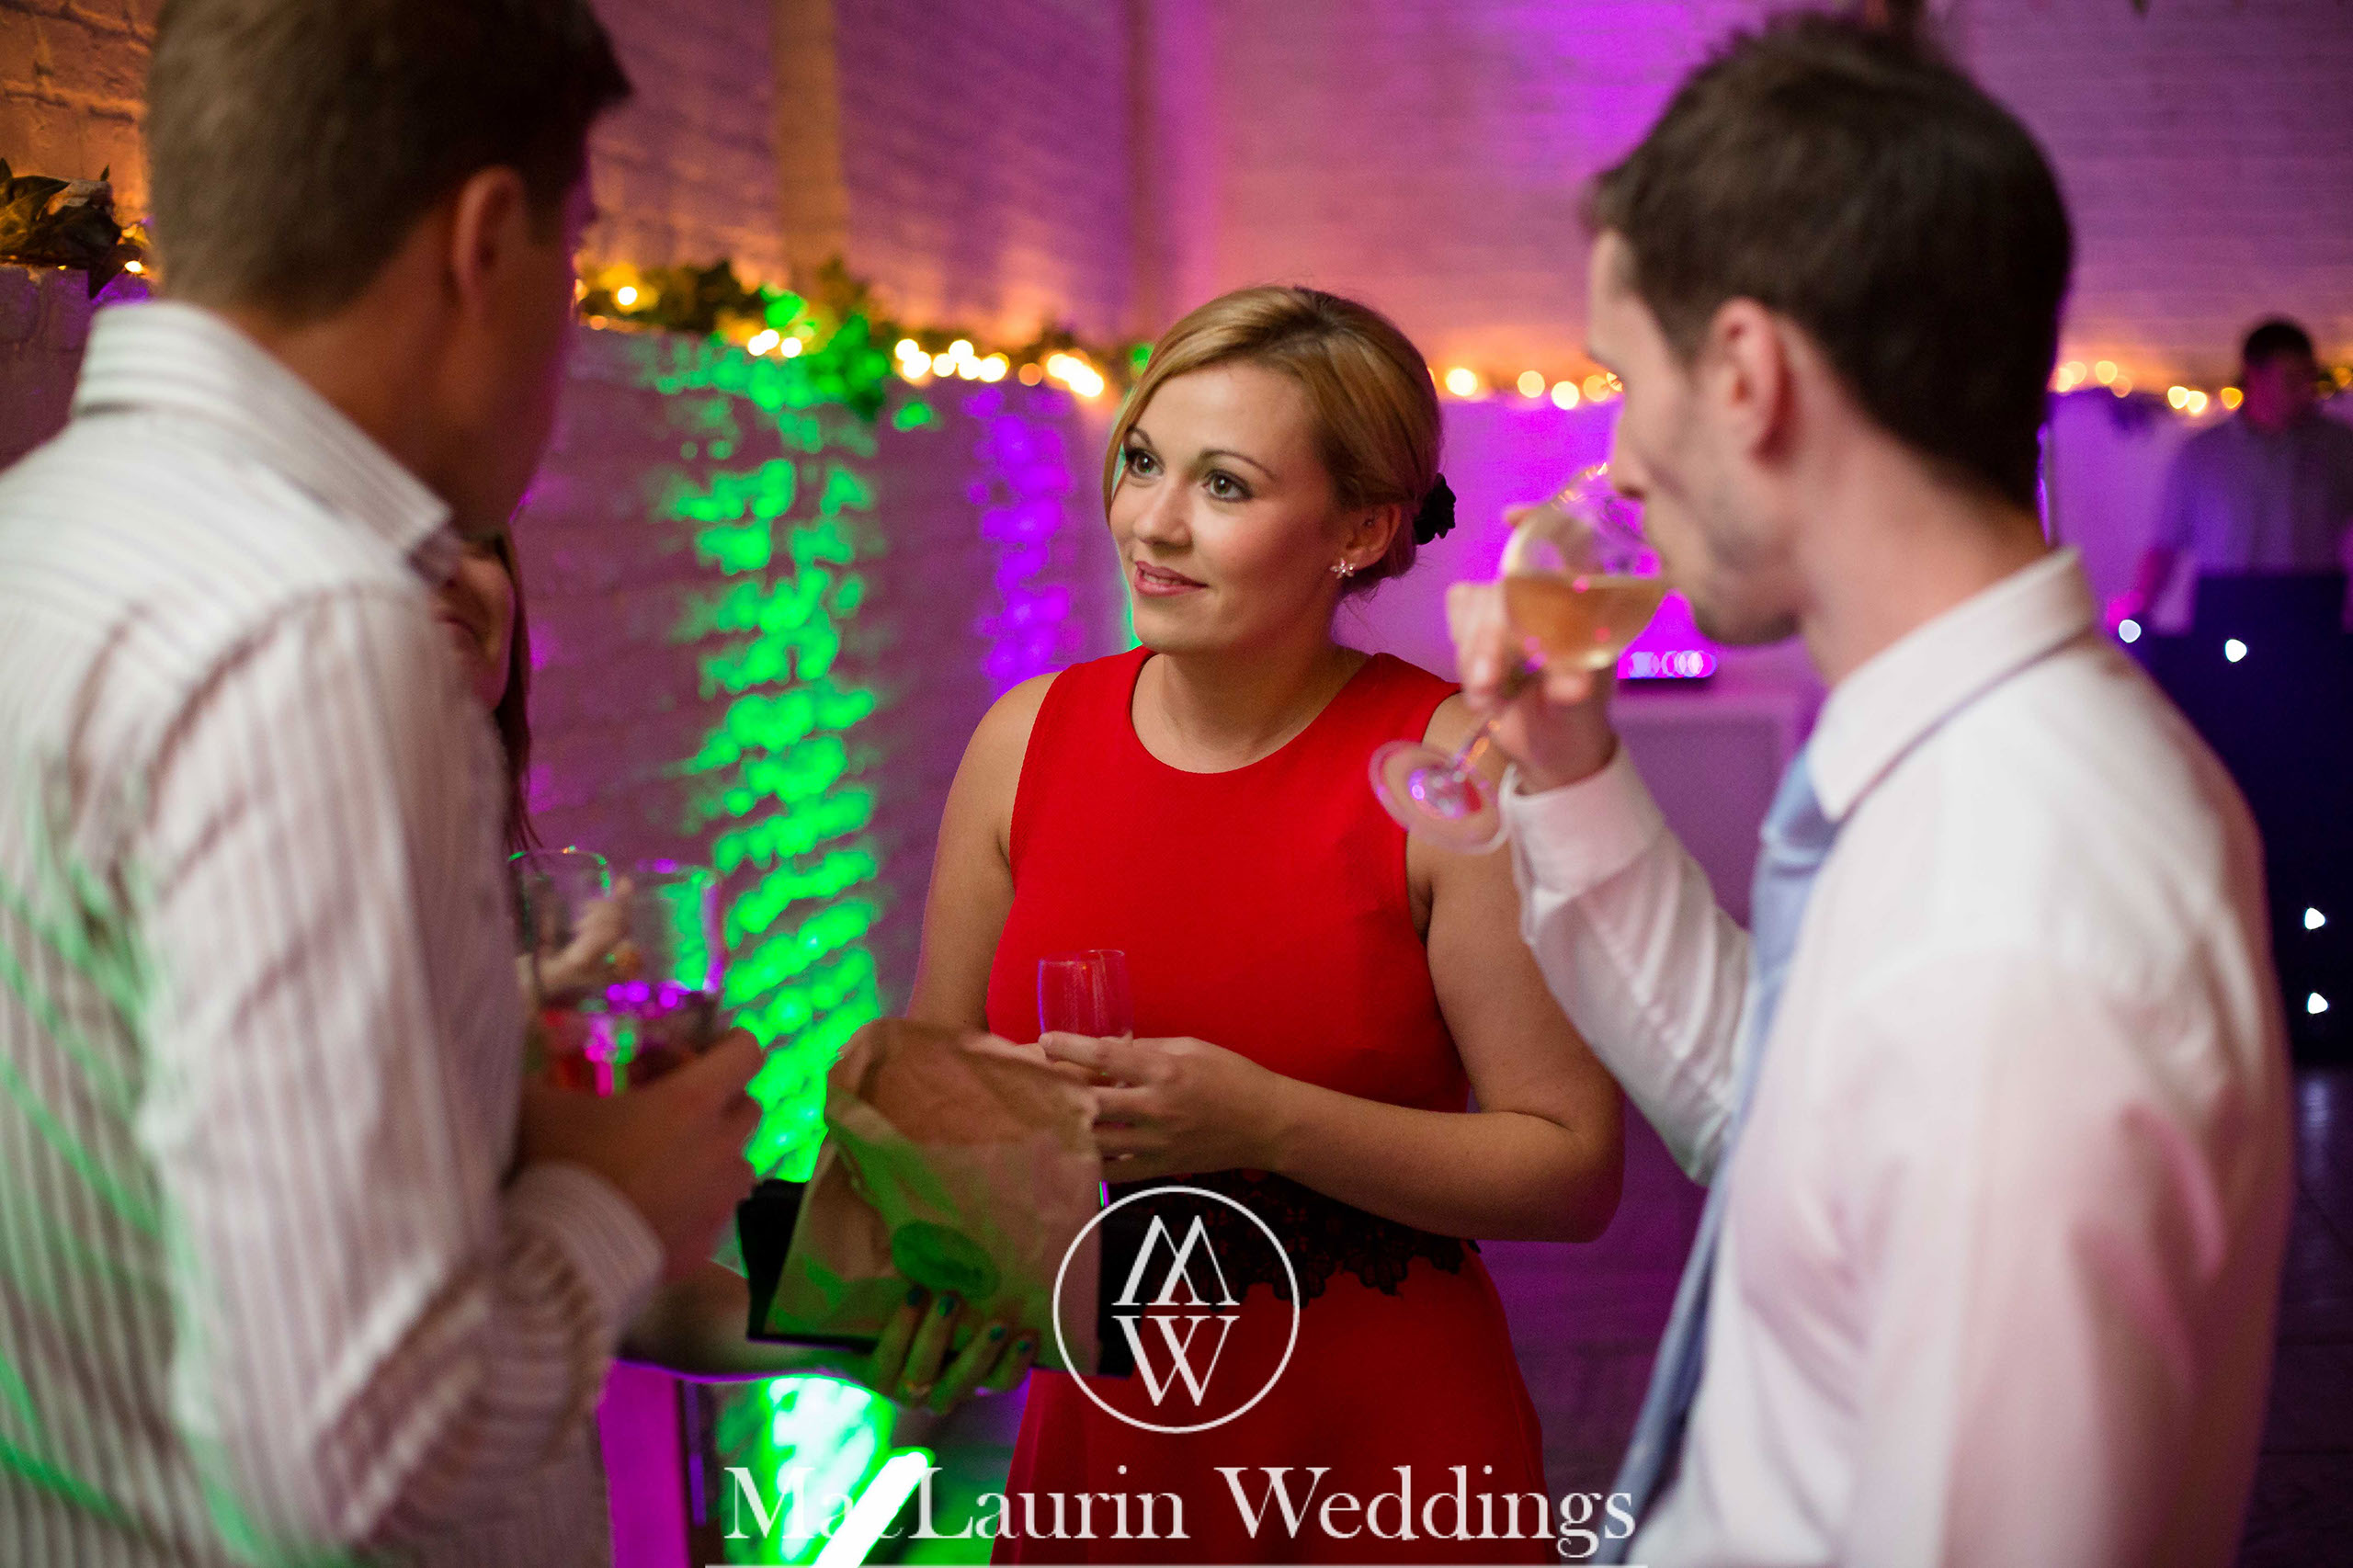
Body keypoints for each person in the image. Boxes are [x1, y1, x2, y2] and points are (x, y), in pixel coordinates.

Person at [1449, 18, 2294, 1566]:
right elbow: (1780, 1129)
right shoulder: (1967, 773)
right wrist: (1567, 774)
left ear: (1749, 374)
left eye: (1624, 382)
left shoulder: (2018, 919)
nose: (1620, 466)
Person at [0, 4, 750, 1563]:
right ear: (487, 240)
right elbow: (353, 1461)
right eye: (577, 244)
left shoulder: (44, 536)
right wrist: (620, 1199)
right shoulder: (312, 630)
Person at [912, 285, 1626, 1564]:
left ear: (1360, 528)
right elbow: (935, 1097)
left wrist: (1267, 1120)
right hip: (1112, 1424)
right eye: (1142, 462)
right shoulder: (1023, 743)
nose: (1154, 522)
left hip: (1383, 1444)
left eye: (1225, 486)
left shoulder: (1447, 767)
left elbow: (1572, 1165)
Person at [443, 528, 1041, 1404]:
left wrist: (845, 1335)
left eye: (475, 538)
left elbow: (639, 1296)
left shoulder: (501, 896)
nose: (449, 571)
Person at [2108, 318, 2353, 633]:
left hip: (2311, 610)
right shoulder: (2202, 453)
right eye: (2292, 380)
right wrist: (2139, 608)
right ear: (2255, 376)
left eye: (2310, 379)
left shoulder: (2339, 446)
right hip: (2226, 611)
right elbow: (2165, 545)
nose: (2306, 393)